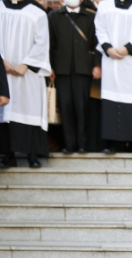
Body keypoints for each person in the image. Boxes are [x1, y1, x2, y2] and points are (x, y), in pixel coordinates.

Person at [95, 0, 132, 154]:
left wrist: (127, 49)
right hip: (112, 62)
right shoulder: (105, 6)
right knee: (113, 100)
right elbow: (100, 28)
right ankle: (116, 143)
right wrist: (107, 47)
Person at [0, 0, 51, 169]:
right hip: (3, 72)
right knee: (5, 112)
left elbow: (42, 43)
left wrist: (26, 64)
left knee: (29, 108)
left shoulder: (37, 13)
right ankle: (8, 155)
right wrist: (1, 62)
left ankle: (32, 154)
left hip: (28, 73)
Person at [48, 0, 101, 155]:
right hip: (61, 68)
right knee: (65, 106)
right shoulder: (54, 16)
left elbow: (98, 42)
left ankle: (83, 143)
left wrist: (97, 65)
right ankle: (69, 144)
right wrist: (49, 66)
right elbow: (49, 43)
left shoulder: (92, 16)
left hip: (84, 67)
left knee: (82, 105)